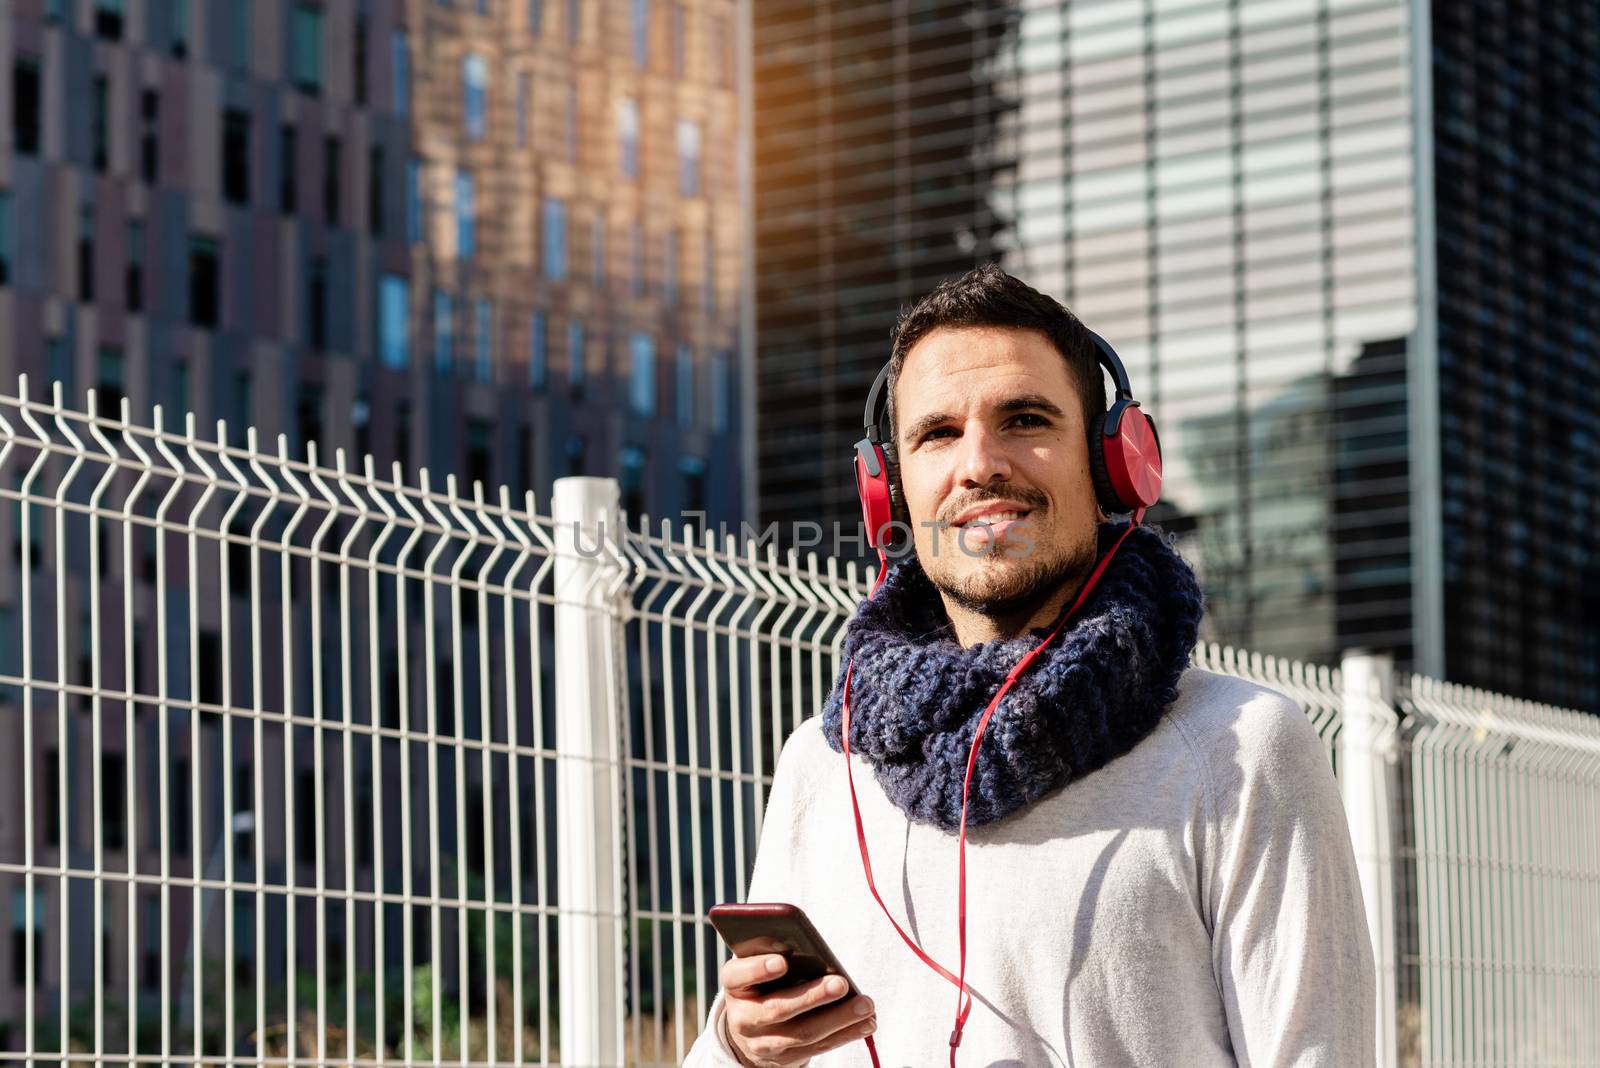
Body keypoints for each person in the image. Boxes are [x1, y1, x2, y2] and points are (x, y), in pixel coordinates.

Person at [683, 264, 1376, 1067]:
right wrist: (740, 1043)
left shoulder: (1245, 748)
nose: (980, 463)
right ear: (890, 491)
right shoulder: (820, 764)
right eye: (937, 433)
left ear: (1114, 464)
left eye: (1024, 419)